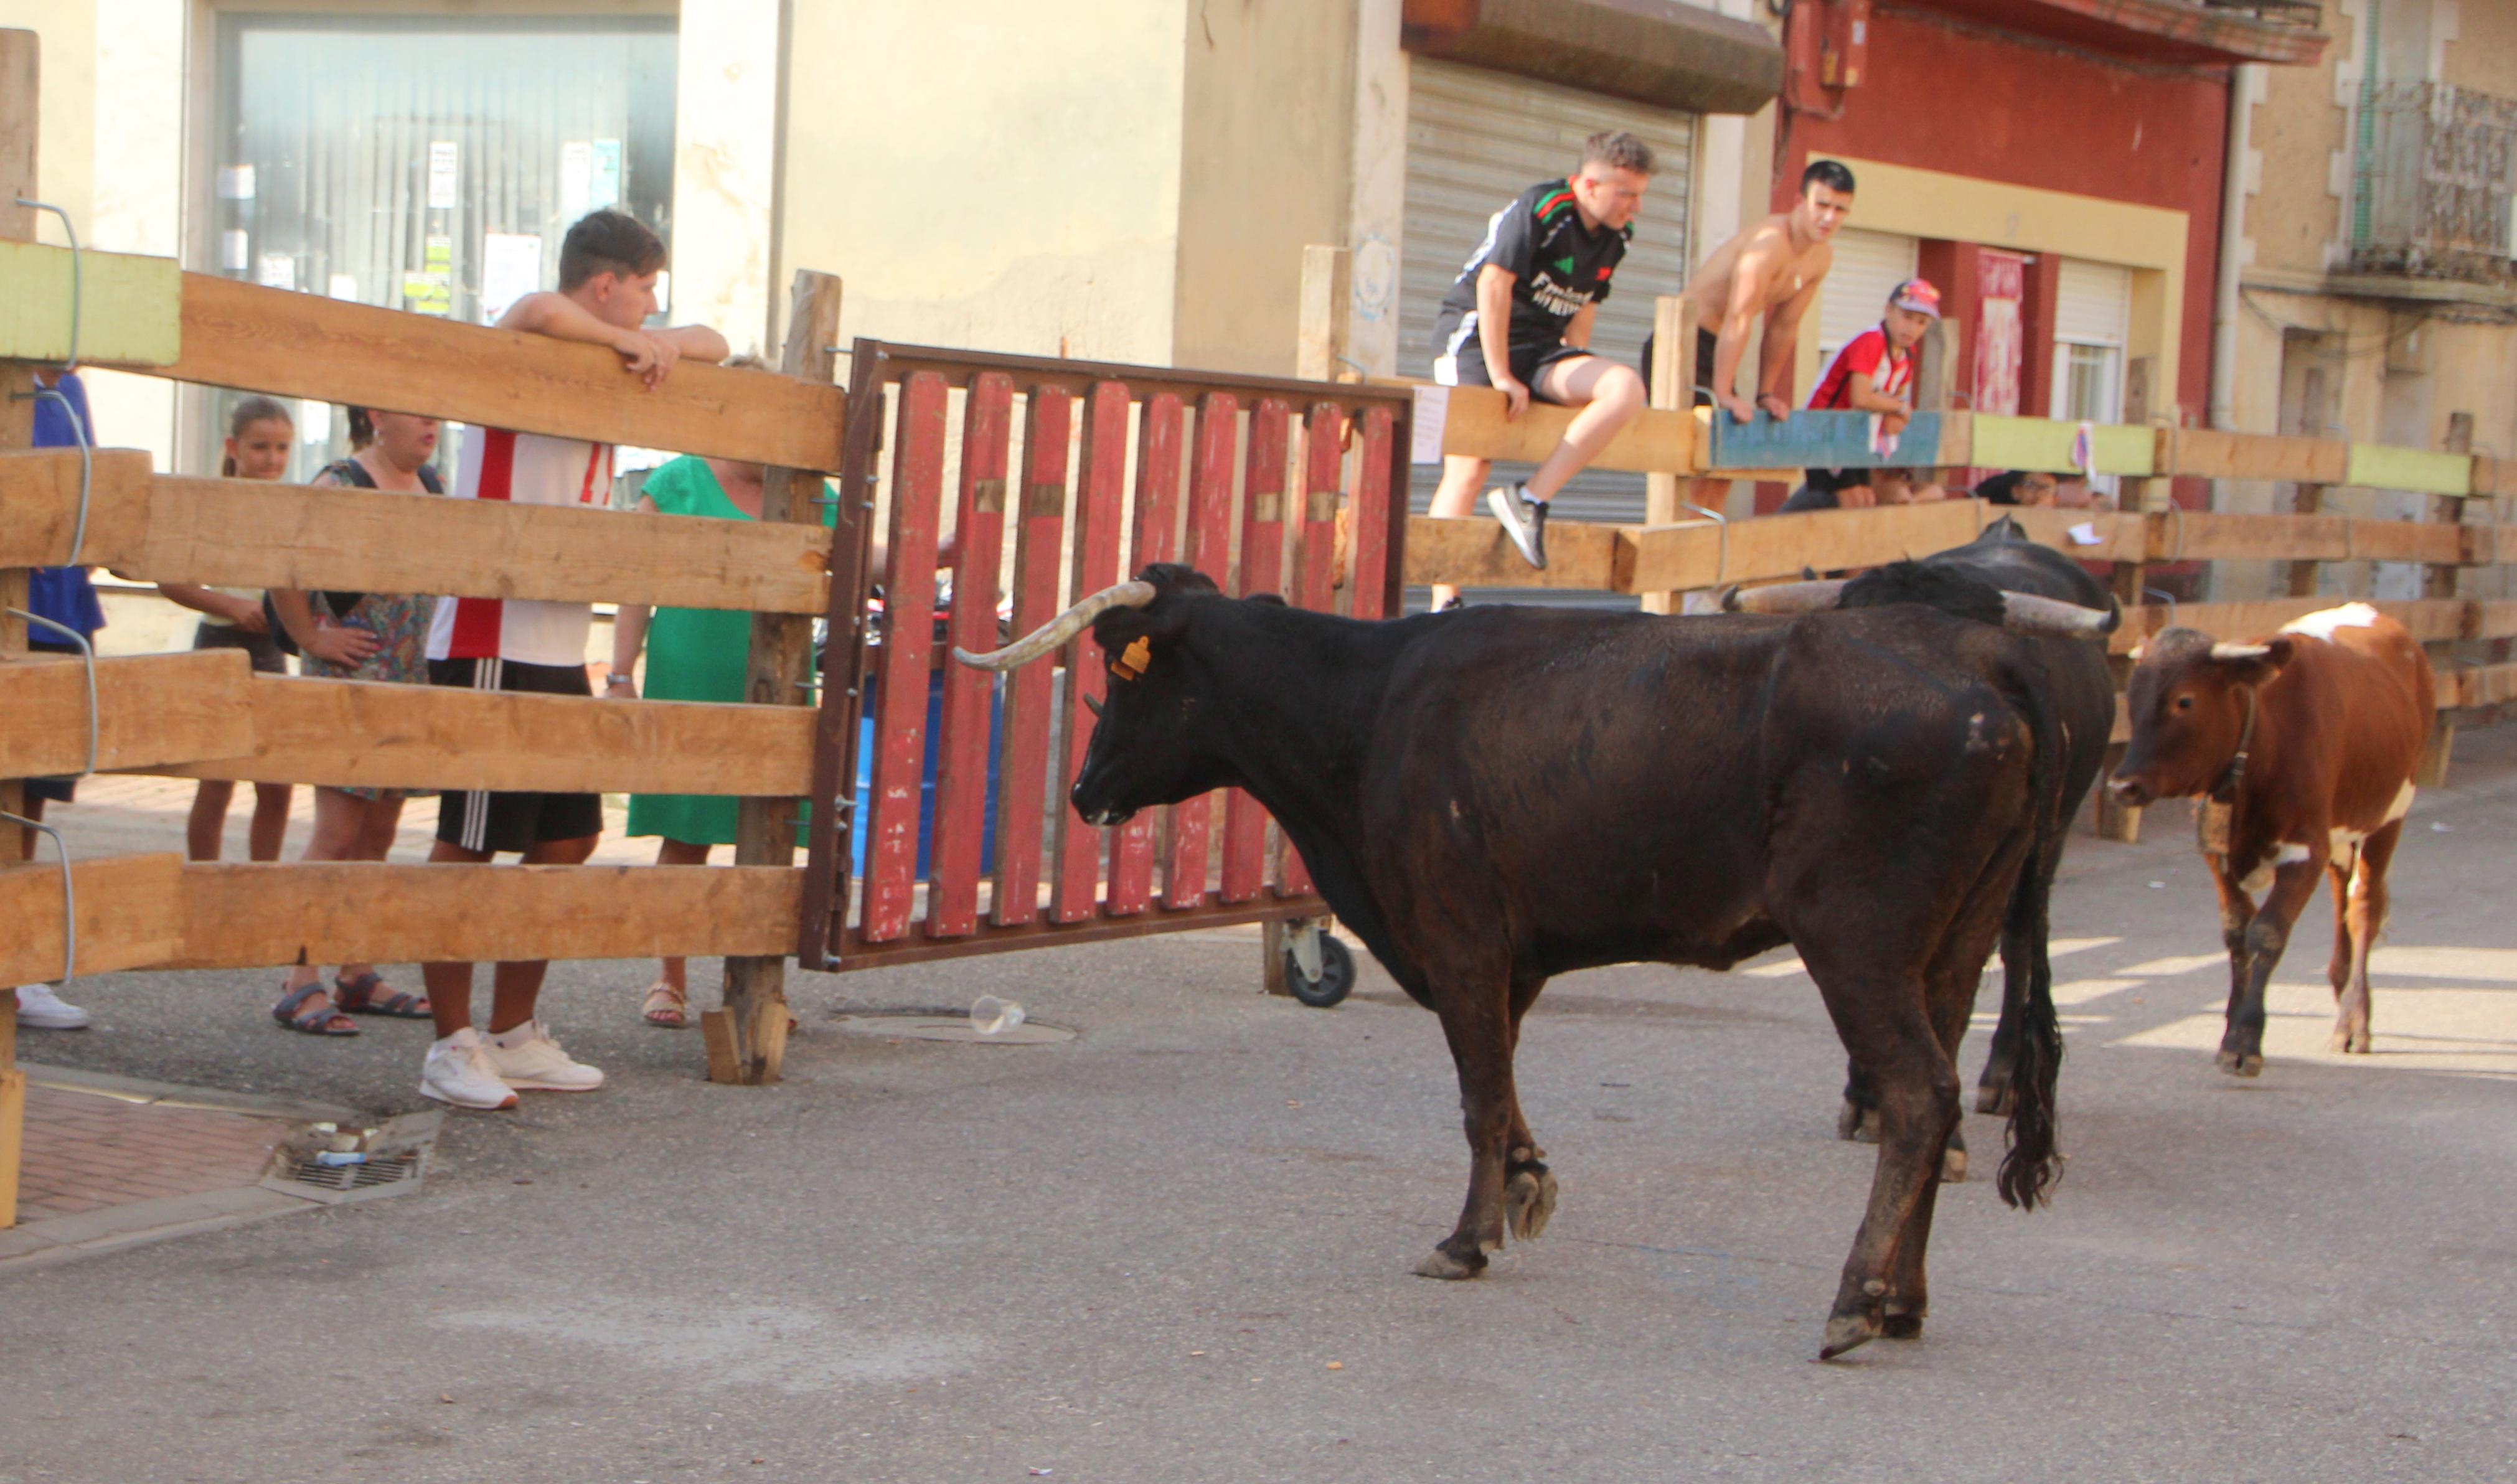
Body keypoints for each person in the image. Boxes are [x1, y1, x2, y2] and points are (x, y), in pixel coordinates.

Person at [416, 209, 729, 1110]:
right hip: (488, 632)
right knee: (468, 842)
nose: (654, 302)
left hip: (557, 640)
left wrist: (653, 342)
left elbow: (714, 340)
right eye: (645, 287)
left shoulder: (613, 353)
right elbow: (533, 310)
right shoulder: (541, 333)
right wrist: (625, 342)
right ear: (605, 285)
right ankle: (449, 1043)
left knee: (568, 836)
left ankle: (513, 1032)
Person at [605, 386, 834, 1029]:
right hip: (689, 678)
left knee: (768, 839)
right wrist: (620, 674)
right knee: (684, 834)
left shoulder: (806, 489)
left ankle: (759, 986)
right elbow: (636, 579)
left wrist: (938, 553)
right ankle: (668, 978)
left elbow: (853, 557)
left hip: (777, 685)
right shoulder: (678, 479)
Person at [262, 407, 448, 1036]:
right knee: (337, 833)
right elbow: (281, 561)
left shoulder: (434, 486)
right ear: (377, 414)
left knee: (378, 834)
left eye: (437, 412)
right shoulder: (339, 483)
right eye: (419, 411)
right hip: (349, 681)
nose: (434, 422)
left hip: (409, 682)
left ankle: (356, 968)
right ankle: (299, 979)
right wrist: (309, 634)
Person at [1426, 130, 1654, 603]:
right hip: (1475, 336)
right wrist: (1502, 375)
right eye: (1625, 194)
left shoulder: (1619, 237)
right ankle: (1443, 602)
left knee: (1624, 389)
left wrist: (1575, 370)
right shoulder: (1543, 208)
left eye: (1640, 196)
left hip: (1541, 347)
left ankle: (1528, 499)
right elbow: (1493, 286)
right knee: (1469, 466)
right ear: (1586, 185)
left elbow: (1584, 306)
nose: (1634, 207)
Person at [1667, 159, 1855, 518]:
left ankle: (1702, 556)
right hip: (1684, 344)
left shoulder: (1821, 257)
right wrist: (1724, 394)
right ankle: (1677, 550)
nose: (1829, 218)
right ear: (1800, 201)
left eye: (1840, 209)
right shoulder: (1769, 243)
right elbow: (1739, 315)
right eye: (1822, 205)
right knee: (1697, 458)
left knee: (1726, 464)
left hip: (1714, 351)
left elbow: (1785, 326)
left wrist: (1766, 393)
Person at [161, 397, 297, 864]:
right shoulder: (210, 504)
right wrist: (232, 605)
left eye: (282, 448)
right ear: (233, 447)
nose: (272, 459)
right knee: (217, 780)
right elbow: (171, 579)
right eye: (260, 447)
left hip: (270, 646)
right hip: (221, 642)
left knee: (277, 782)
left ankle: (263, 879)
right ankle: (204, 878)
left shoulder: (290, 506)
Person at [12, 370, 105, 1031]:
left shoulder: (68, 388)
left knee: (31, 797)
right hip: (10, 604)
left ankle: (18, 963)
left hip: (58, 610)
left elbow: (94, 487)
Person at [1778, 278, 1946, 512]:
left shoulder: (1907, 355)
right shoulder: (1871, 342)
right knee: (1852, 502)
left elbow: (1894, 402)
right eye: (1907, 317)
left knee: (1866, 499)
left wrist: (1897, 412)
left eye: (1922, 322)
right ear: (1888, 310)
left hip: (1854, 436)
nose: (1913, 328)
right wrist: (1898, 408)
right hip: (1825, 431)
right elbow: (1862, 397)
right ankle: (1786, 525)